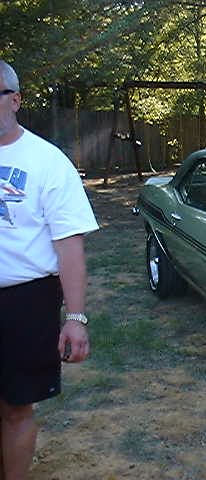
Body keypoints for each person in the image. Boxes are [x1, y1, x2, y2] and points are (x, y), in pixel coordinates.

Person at [0, 60, 98, 479]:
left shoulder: (46, 162)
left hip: (24, 302)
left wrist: (75, 318)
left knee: (15, 407)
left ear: (15, 100)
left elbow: (69, 245)